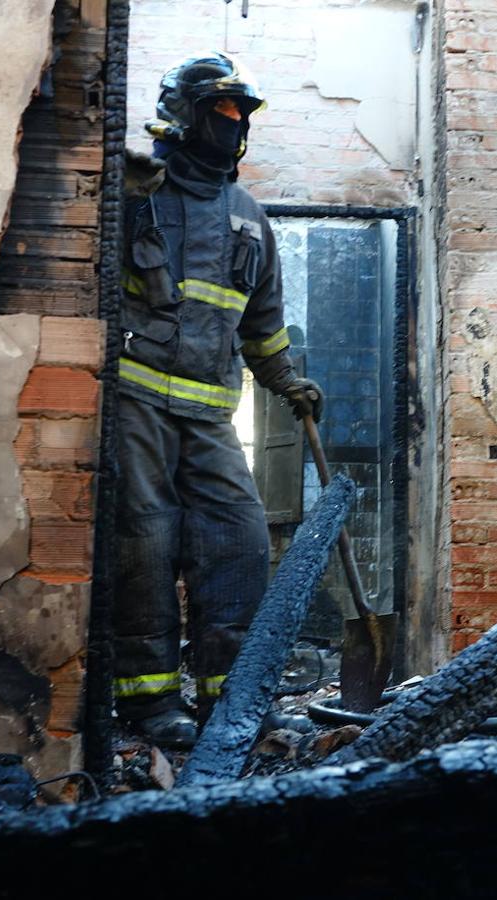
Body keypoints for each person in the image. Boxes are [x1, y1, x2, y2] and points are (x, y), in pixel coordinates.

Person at [114, 52, 322, 749]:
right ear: (186, 115)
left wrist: (287, 381)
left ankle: (227, 704)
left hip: (209, 414)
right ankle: (146, 705)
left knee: (236, 542)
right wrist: (116, 193)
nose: (233, 125)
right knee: (145, 542)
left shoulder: (250, 221)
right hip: (134, 403)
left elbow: (261, 330)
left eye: (241, 115)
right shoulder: (138, 189)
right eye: (221, 111)